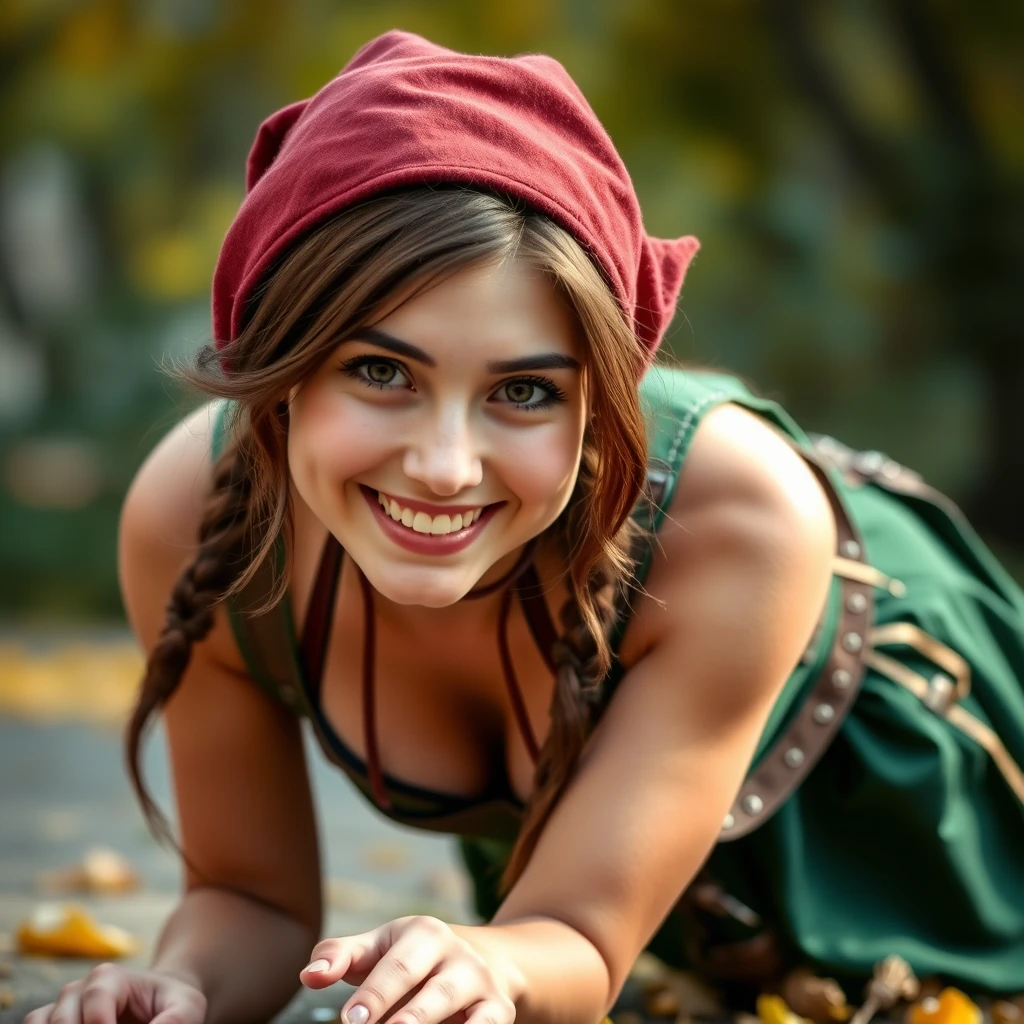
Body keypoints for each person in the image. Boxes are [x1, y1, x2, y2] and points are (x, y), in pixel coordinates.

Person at [26, 29, 1024, 1024]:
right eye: (381, 372)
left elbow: (579, 936)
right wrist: (181, 988)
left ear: (598, 402)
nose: (445, 466)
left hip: (936, 826)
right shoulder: (197, 519)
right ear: (280, 367)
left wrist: (500, 960)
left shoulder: (741, 524)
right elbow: (247, 899)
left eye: (523, 390)